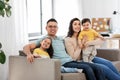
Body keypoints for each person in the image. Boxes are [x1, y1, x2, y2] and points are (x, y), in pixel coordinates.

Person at [23, 18, 105, 80]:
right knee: (88, 68)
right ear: (46, 28)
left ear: (57, 28)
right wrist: (29, 54)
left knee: (97, 67)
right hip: (63, 63)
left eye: (55, 26)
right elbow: (26, 47)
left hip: (71, 61)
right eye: (50, 26)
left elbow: (72, 40)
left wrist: (84, 40)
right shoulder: (44, 39)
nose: (53, 28)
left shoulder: (61, 39)